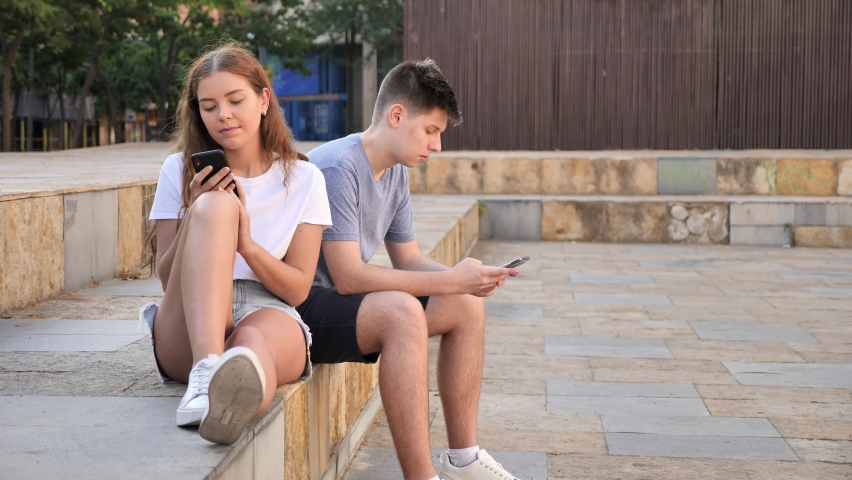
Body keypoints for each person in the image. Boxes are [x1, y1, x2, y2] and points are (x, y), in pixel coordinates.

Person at [296, 59, 520, 480]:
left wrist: (466, 278)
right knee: (403, 313)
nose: (436, 146)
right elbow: (348, 277)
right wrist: (450, 279)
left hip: (343, 304)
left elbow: (409, 258)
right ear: (397, 116)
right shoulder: (336, 168)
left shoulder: (395, 170)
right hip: (303, 311)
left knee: (464, 305)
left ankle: (464, 460)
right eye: (431, 131)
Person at [138, 44, 332, 445]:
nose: (222, 114)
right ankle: (207, 372)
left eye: (235, 100)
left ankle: (230, 409)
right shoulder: (177, 170)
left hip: (268, 308)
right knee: (215, 204)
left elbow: (297, 288)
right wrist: (196, 212)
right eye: (208, 106)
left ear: (264, 100)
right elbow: (166, 278)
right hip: (188, 327)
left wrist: (246, 244)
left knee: (251, 348)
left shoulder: (304, 178)